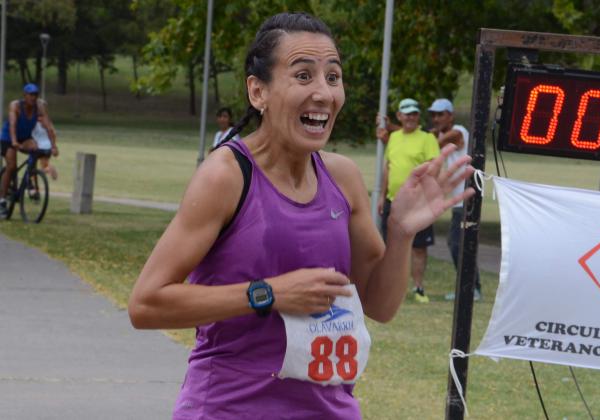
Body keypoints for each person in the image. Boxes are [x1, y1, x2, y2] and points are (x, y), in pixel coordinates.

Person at [128, 12, 474, 419]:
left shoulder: (342, 177)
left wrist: (400, 232)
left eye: (333, 76)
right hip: (230, 409)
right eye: (304, 76)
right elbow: (146, 304)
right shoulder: (226, 175)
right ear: (259, 92)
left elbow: (380, 306)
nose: (324, 93)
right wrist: (268, 294)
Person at [378, 98, 441, 303]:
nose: (411, 117)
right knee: (390, 247)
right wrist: (381, 196)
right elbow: (388, 167)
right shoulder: (394, 137)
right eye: (407, 113)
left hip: (417, 202)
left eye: (414, 113)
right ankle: (392, 289)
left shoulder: (427, 138)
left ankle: (419, 289)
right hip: (392, 201)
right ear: (400, 116)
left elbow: (434, 168)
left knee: (419, 247)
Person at [428, 98, 482, 301]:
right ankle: (470, 288)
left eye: (440, 114)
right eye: (433, 115)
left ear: (450, 115)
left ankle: (471, 289)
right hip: (459, 199)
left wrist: (417, 141)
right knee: (458, 244)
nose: (436, 118)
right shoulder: (441, 133)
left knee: (458, 244)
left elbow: (439, 141)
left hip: (468, 198)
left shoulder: (459, 131)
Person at [0, 83, 57, 215]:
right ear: (24, 96)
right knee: (11, 166)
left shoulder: (39, 106)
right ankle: (2, 200)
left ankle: (30, 182)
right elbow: (13, 124)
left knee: (35, 149)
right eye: (30, 94)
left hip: (25, 138)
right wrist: (14, 141)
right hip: (8, 138)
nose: (33, 97)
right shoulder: (15, 105)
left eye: (35, 95)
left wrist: (53, 146)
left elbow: (48, 126)